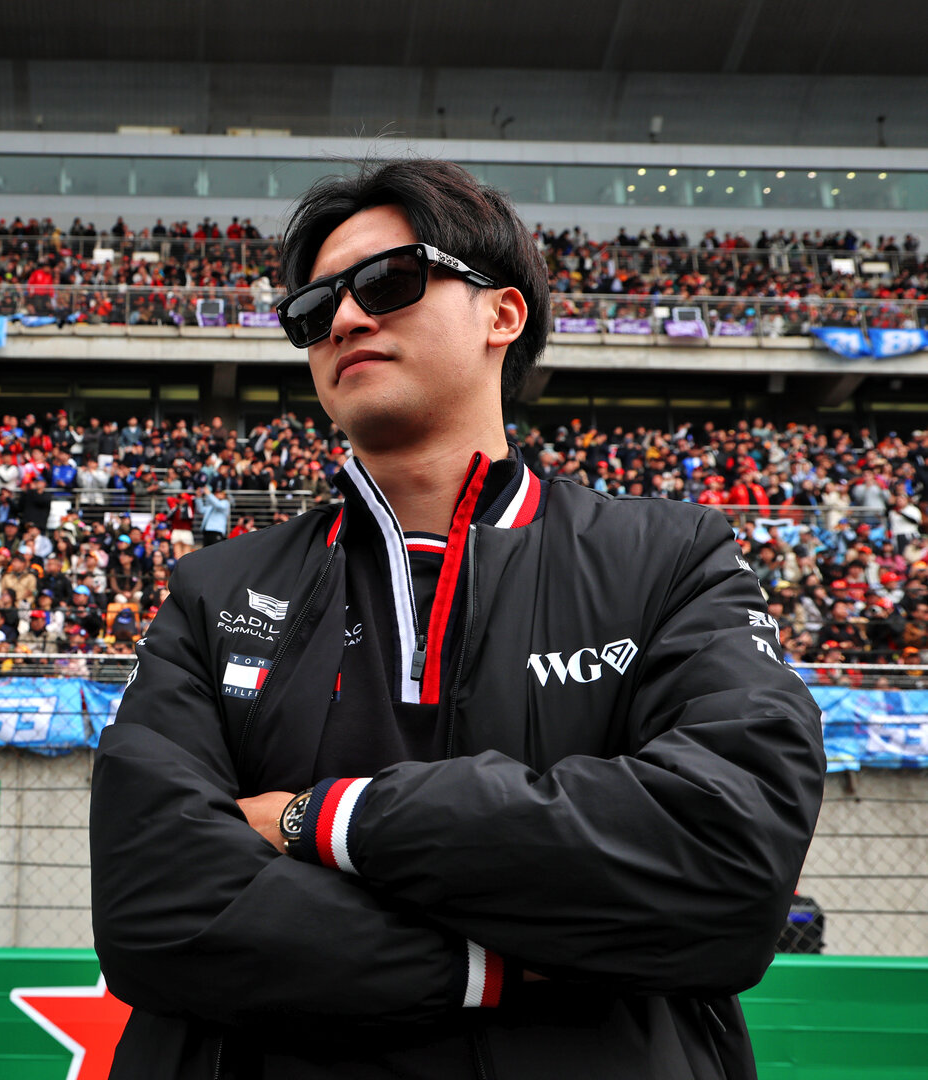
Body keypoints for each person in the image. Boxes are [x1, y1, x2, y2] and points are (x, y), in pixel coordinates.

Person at [89, 158, 826, 1078]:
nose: (347, 319)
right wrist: (494, 966)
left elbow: (729, 858)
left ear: (503, 315)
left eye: (388, 281)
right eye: (314, 312)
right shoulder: (215, 590)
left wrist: (326, 822)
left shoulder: (670, 559)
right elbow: (156, 908)